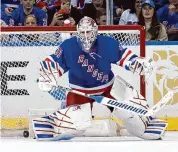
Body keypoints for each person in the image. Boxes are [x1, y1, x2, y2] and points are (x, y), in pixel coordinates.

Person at [34, 16, 167, 141]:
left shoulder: (106, 43)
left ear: (96, 31)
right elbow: (54, 63)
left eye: (89, 32)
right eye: (83, 32)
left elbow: (124, 56)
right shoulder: (69, 46)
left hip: (109, 88)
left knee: (137, 123)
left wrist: (137, 63)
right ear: (77, 32)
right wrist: (46, 75)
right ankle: (54, 122)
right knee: (76, 126)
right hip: (79, 91)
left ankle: (147, 121)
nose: (86, 37)